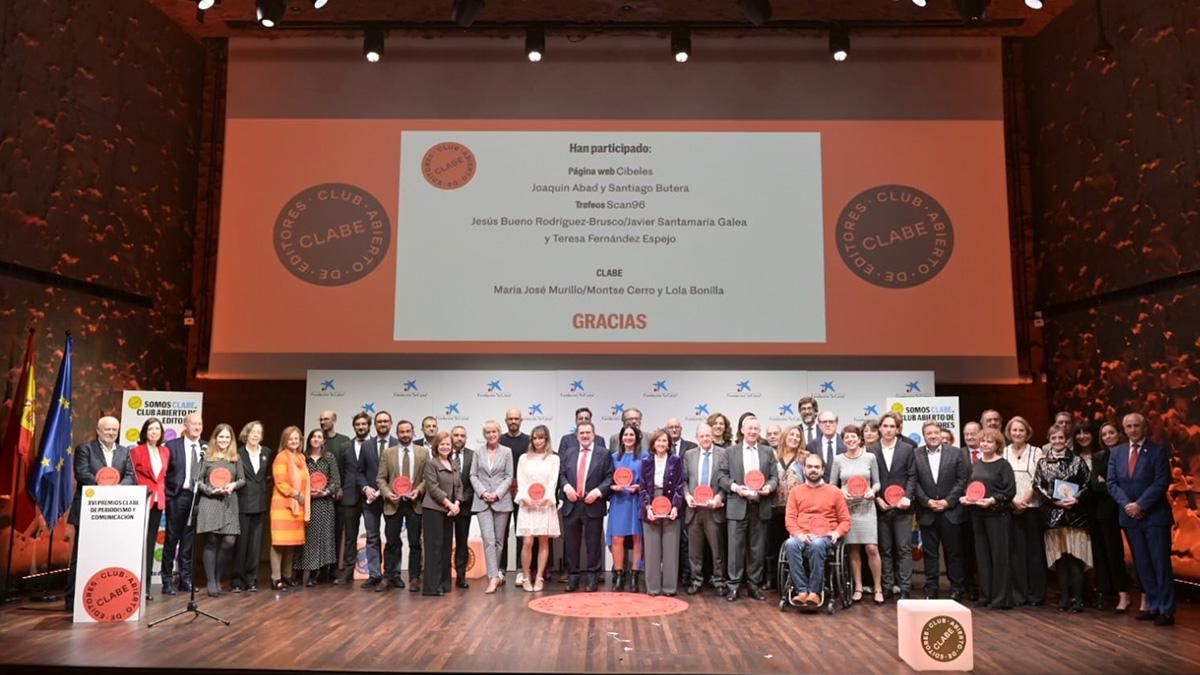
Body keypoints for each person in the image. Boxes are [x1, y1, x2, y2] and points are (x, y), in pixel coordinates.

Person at [1107, 413, 1175, 626]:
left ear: (1144, 428)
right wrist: (1128, 505)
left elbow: (1162, 481)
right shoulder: (1117, 453)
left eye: (1137, 426)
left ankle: (1166, 608)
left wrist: (1141, 505)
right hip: (1130, 517)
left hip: (1154, 516)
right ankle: (1153, 605)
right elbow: (1112, 483)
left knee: (1160, 563)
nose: (1133, 430)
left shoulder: (1157, 451)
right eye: (1129, 426)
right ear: (1124, 430)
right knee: (1142, 564)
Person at [67, 415, 135, 609]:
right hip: (88, 510)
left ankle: (104, 595)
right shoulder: (84, 449)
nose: (111, 433)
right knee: (81, 555)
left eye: (115, 430)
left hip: (114, 512)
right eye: (107, 429)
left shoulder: (124, 451)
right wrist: (105, 485)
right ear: (98, 430)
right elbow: (82, 473)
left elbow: (130, 475)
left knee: (108, 553)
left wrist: (119, 486)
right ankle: (72, 599)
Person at [719, 416, 778, 601]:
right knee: (735, 549)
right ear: (742, 430)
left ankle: (754, 585)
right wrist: (736, 488)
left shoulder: (768, 452)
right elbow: (721, 476)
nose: (753, 432)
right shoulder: (730, 452)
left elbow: (774, 478)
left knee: (757, 549)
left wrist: (768, 487)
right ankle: (733, 585)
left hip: (760, 506)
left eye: (756, 429)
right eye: (750, 428)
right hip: (737, 505)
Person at [1034, 425, 1092, 612]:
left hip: (1075, 517)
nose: (1057, 441)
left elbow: (1087, 483)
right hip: (1053, 516)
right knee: (1060, 560)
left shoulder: (1077, 461)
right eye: (1053, 438)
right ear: (1049, 440)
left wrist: (1076, 499)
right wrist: (1054, 501)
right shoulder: (1042, 463)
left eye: (1061, 438)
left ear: (1066, 440)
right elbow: (1037, 486)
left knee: (1075, 558)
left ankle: (1079, 599)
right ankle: (1064, 598)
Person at [783, 453, 851, 607]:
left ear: (822, 470)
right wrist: (799, 534)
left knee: (817, 544)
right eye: (809, 466)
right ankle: (801, 591)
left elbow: (845, 520)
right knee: (790, 544)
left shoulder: (834, 492)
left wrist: (836, 533)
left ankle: (814, 592)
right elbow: (790, 519)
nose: (813, 470)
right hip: (802, 534)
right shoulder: (796, 492)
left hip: (825, 536)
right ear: (804, 469)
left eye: (816, 467)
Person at [914, 421, 970, 600]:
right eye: (928, 433)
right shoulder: (916, 454)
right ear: (924, 436)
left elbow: (962, 480)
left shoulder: (956, 453)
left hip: (950, 511)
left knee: (953, 552)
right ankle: (931, 588)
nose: (932, 436)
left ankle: (956, 588)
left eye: (935, 432)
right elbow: (913, 482)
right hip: (927, 511)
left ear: (940, 433)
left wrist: (948, 501)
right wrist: (926, 501)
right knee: (930, 553)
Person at [961, 427, 1016, 609]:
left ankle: (1000, 598)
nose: (985, 444)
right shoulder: (976, 464)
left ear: (998, 444)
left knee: (999, 556)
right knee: (982, 556)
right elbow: (972, 487)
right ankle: (986, 595)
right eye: (983, 441)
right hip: (978, 515)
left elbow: (1009, 491)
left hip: (997, 515)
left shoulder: (1003, 465)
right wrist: (966, 498)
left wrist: (992, 500)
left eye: (989, 441)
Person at [830, 424, 883, 604]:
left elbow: (877, 483)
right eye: (847, 437)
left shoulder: (870, 457)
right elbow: (831, 485)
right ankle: (858, 587)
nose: (850, 440)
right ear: (843, 440)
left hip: (867, 508)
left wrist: (873, 492)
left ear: (860, 438)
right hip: (848, 509)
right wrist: (840, 492)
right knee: (853, 549)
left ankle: (878, 588)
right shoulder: (838, 460)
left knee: (871, 548)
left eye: (853, 437)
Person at [559, 422, 614, 592]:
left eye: (588, 432)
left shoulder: (603, 454)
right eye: (581, 433)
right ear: (577, 436)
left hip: (593, 505)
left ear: (594, 434)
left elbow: (610, 476)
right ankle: (573, 577)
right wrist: (567, 487)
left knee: (593, 544)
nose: (584, 435)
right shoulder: (568, 453)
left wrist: (598, 491)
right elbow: (561, 475)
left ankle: (592, 578)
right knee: (571, 544)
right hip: (572, 505)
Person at [1083, 421, 1130, 611]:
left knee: (1121, 554)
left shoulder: (1128, 454)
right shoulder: (1099, 457)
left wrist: (1109, 483)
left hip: (1126, 507)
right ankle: (1118, 594)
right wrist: (1111, 484)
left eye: (1111, 433)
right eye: (1104, 434)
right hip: (1104, 511)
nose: (1108, 437)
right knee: (1107, 553)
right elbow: (1096, 485)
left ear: (1119, 434)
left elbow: (1128, 483)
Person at [871, 412, 917, 600]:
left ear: (897, 429)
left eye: (892, 426)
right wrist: (876, 498)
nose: (888, 429)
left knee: (904, 548)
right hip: (881, 507)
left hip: (903, 508)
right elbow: (868, 479)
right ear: (880, 428)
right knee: (885, 549)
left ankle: (905, 587)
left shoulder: (908, 449)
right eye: (885, 426)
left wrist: (907, 497)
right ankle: (888, 585)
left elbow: (913, 476)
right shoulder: (870, 450)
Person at [195, 423, 245, 596]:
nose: (224, 440)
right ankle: (211, 582)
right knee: (212, 541)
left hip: (229, 502)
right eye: (221, 437)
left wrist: (233, 485)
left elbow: (242, 480)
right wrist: (210, 490)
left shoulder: (235, 458)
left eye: (227, 437)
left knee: (229, 541)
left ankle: (218, 577)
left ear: (231, 440)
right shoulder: (207, 457)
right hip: (210, 501)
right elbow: (197, 481)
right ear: (215, 438)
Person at [377, 419, 426, 592]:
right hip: (393, 503)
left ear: (413, 433)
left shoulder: (423, 452)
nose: (405, 435)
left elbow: (427, 478)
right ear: (397, 434)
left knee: (415, 543)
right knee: (391, 542)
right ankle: (389, 577)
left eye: (408, 431)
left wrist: (419, 491)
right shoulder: (388, 453)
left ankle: (414, 578)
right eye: (402, 432)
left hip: (415, 503)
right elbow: (381, 478)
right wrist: (387, 493)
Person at [1005, 415, 1046, 606]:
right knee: (1015, 553)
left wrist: (1025, 500)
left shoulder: (1037, 452)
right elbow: (1000, 481)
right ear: (1009, 432)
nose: (1018, 433)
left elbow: (1039, 480)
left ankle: (1035, 595)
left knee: (1034, 552)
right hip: (1010, 508)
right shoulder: (1003, 452)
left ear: (1027, 432)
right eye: (1014, 430)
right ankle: (1018, 594)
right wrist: (1014, 501)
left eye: (1021, 430)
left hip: (1032, 508)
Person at [162, 412, 204, 595]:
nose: (197, 427)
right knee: (172, 539)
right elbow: (162, 471)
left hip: (196, 498)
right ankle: (167, 581)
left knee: (189, 541)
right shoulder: (172, 446)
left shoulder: (206, 447)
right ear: (185, 425)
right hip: (177, 497)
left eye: (200, 424)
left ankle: (185, 580)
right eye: (193, 423)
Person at [470, 420, 514, 594]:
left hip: (501, 501)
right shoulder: (477, 452)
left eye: (494, 432)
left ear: (499, 433)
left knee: (498, 542)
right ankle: (493, 577)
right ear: (484, 435)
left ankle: (495, 574)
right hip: (482, 502)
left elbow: (509, 476)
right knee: (488, 539)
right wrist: (483, 493)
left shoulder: (507, 452)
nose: (491, 435)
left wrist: (497, 493)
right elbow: (473, 475)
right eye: (488, 432)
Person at [515, 424, 560, 592]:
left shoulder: (554, 458)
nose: (537, 441)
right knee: (527, 541)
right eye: (534, 438)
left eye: (541, 437)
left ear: (546, 439)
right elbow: (521, 481)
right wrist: (526, 499)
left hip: (544, 505)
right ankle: (526, 576)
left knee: (543, 541)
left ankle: (539, 576)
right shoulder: (523, 458)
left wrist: (544, 500)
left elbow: (552, 482)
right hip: (527, 505)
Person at [640, 429, 685, 596]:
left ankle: (669, 588)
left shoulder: (676, 460)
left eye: (664, 441)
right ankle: (652, 588)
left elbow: (680, 486)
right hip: (651, 504)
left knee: (670, 549)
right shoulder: (646, 461)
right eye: (658, 441)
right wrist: (648, 507)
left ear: (669, 444)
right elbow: (643, 487)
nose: (661, 444)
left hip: (671, 505)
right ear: (653, 444)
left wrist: (675, 506)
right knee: (651, 550)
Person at [684, 423, 727, 596]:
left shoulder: (723, 454)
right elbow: (684, 480)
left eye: (708, 436)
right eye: (701, 436)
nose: (705, 439)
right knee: (694, 551)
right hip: (694, 510)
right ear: (697, 438)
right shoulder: (689, 455)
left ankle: (719, 581)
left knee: (717, 550)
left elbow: (726, 479)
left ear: (713, 437)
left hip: (713, 509)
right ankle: (696, 581)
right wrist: (687, 496)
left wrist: (720, 497)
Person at [130, 417, 169, 601]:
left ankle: (145, 587)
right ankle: (134, 584)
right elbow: (131, 475)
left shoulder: (165, 451)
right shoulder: (136, 451)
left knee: (151, 541)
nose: (154, 432)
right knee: (138, 542)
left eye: (157, 429)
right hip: (142, 498)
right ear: (145, 432)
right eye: (151, 429)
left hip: (158, 501)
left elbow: (163, 476)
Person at [421, 431, 463, 596]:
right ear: (436, 446)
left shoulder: (453, 463)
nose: (445, 447)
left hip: (450, 511)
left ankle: (444, 584)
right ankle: (432, 587)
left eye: (448, 444)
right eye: (442, 444)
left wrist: (457, 503)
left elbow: (459, 486)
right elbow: (433, 488)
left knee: (446, 548)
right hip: (434, 510)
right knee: (434, 549)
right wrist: (449, 504)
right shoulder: (432, 464)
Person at [297, 428, 341, 587]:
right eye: (313, 436)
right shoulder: (302, 458)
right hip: (306, 503)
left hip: (324, 504)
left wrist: (325, 492)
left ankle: (317, 573)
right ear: (309, 440)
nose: (316, 439)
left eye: (319, 437)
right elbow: (296, 480)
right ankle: (300, 572)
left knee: (323, 539)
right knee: (306, 539)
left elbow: (336, 482)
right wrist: (306, 493)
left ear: (324, 441)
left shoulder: (329, 458)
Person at [358, 411, 396, 590]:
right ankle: (374, 574)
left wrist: (384, 490)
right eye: (379, 421)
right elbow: (359, 472)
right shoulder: (366, 446)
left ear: (391, 423)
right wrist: (366, 488)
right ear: (375, 424)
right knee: (372, 537)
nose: (382, 424)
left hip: (391, 499)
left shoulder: (398, 444)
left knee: (393, 538)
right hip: (370, 500)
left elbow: (401, 475)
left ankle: (392, 574)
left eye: (385, 421)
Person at [232, 420, 271, 593]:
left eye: (259, 432)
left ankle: (251, 579)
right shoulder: (238, 453)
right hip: (242, 502)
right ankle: (237, 580)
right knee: (242, 544)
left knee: (256, 545)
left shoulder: (267, 452)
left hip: (260, 503)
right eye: (253, 432)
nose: (255, 435)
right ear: (246, 434)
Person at [269, 425, 308, 591]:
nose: (294, 441)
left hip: (298, 506)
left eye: (296, 438)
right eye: (291, 438)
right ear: (285, 440)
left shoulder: (301, 457)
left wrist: (302, 497)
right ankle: (275, 578)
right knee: (279, 543)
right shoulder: (281, 457)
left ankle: (287, 575)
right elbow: (280, 482)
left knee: (291, 543)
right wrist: (296, 494)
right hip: (283, 505)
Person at [767, 426, 806, 591]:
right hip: (775, 507)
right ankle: (773, 579)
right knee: (773, 546)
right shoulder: (773, 456)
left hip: (797, 510)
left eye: (798, 436)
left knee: (794, 546)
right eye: (791, 434)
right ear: (785, 436)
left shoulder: (804, 457)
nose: (794, 438)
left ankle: (795, 580)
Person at [608, 424, 645, 592]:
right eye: (625, 435)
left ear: (636, 437)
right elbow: (608, 478)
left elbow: (648, 480)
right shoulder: (613, 457)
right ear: (621, 438)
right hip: (619, 500)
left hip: (636, 500)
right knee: (617, 539)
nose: (628, 438)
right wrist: (612, 487)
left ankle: (635, 575)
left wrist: (639, 486)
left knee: (638, 538)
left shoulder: (645, 457)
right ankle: (619, 575)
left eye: (631, 435)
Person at [333, 412, 369, 585]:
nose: (360, 427)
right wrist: (339, 489)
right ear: (354, 427)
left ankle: (375, 571)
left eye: (363, 424)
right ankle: (348, 571)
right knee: (350, 536)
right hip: (349, 496)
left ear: (368, 425)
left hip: (370, 497)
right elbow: (340, 471)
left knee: (374, 535)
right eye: (358, 424)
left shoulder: (374, 445)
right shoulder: (345, 447)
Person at [499, 408, 530, 586]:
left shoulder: (528, 441)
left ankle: (520, 570)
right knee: (501, 533)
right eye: (510, 418)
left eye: (516, 418)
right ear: (505, 420)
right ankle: (500, 569)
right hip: (502, 494)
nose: (513, 421)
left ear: (521, 420)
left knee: (521, 532)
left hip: (523, 494)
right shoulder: (500, 440)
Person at [959, 420, 984, 601]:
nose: (969, 437)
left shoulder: (991, 453)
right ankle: (970, 586)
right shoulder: (957, 454)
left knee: (982, 550)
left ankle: (985, 585)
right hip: (964, 512)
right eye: (966, 434)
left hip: (987, 511)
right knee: (966, 551)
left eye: (973, 434)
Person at [449, 425, 475, 588]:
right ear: (451, 436)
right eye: (456, 435)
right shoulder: (443, 453)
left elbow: (474, 481)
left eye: (462, 436)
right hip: (444, 506)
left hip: (464, 506)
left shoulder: (473, 456)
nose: (459, 438)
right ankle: (444, 576)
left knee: (462, 542)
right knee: (444, 543)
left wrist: (460, 500)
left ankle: (461, 576)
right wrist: (448, 502)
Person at [807, 411, 846, 481]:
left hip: (841, 489)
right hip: (818, 488)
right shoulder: (811, 446)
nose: (828, 424)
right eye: (824, 422)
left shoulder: (846, 444)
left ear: (836, 424)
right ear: (819, 425)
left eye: (831, 422)